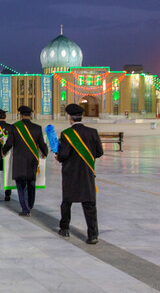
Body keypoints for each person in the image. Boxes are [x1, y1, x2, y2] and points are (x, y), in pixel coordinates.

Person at [56, 103, 103, 244]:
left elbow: (63, 155)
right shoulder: (92, 132)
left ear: (70, 118)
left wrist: (58, 156)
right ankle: (93, 235)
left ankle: (64, 229)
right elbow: (100, 152)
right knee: (89, 204)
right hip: (87, 173)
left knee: (67, 202)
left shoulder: (66, 134)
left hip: (71, 174)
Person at [2, 106, 48, 217]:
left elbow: (9, 143)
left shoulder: (14, 127)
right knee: (31, 183)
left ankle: (25, 208)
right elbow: (42, 144)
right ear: (30, 115)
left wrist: (3, 151)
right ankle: (30, 205)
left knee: (21, 185)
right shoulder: (37, 128)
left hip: (19, 161)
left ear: (20, 115)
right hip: (33, 160)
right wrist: (45, 152)